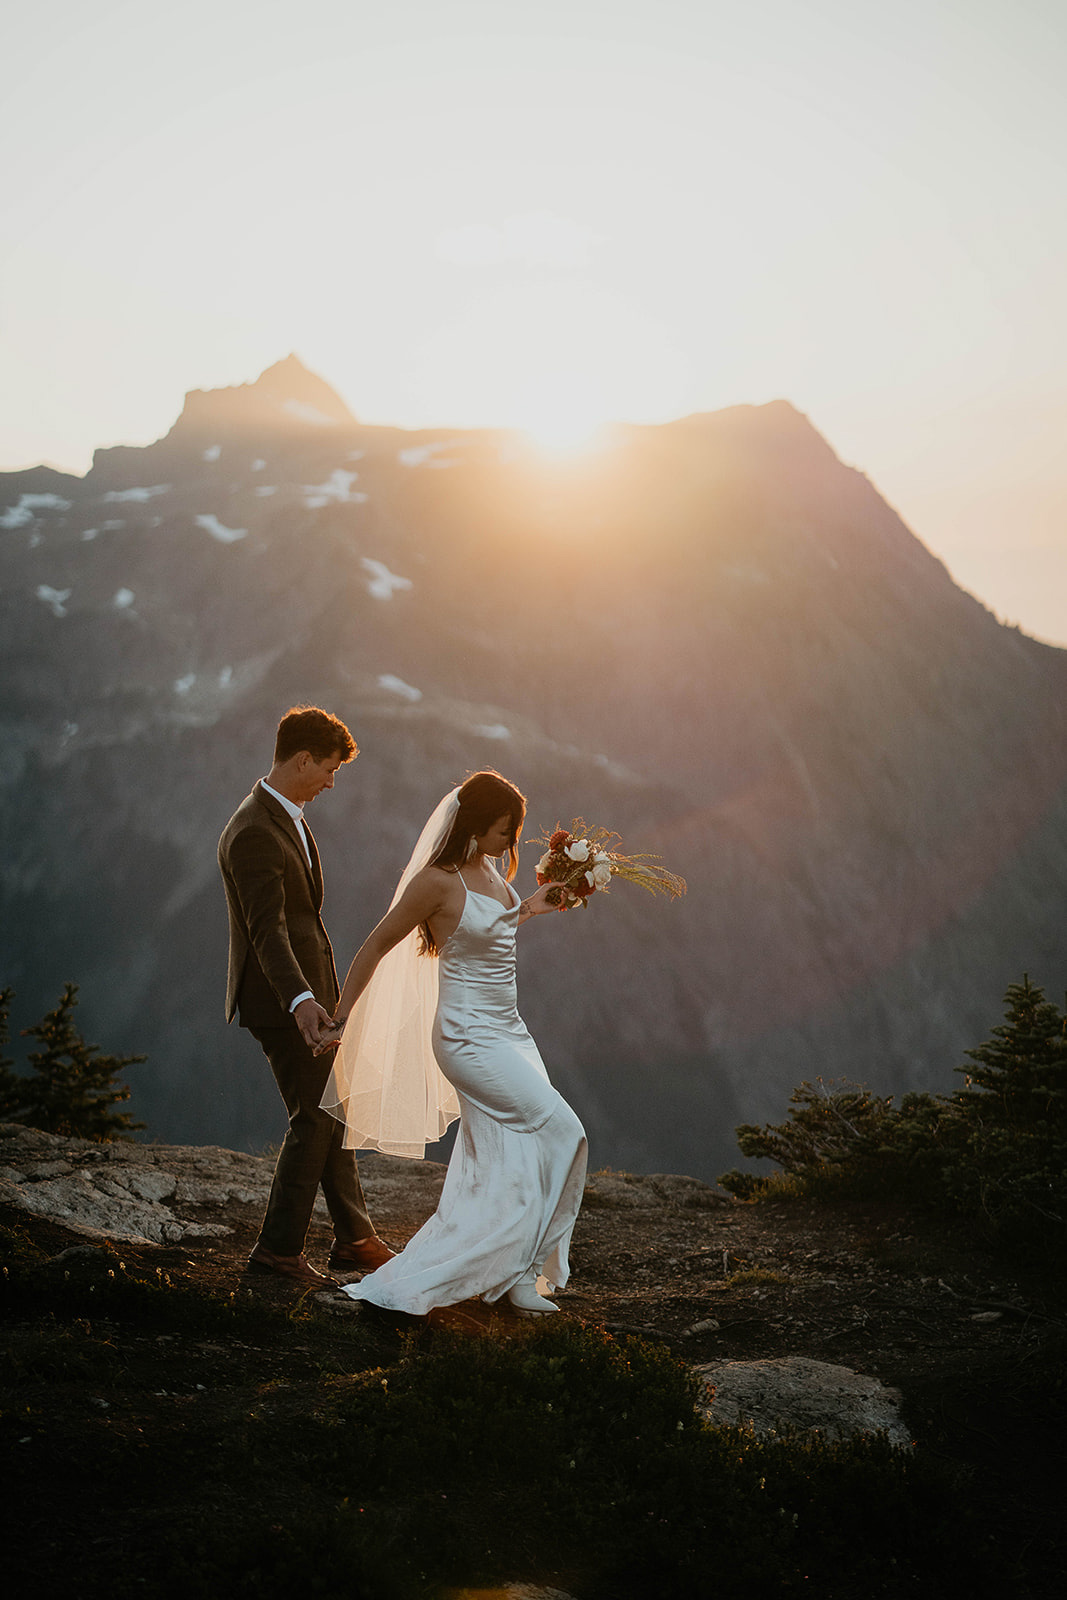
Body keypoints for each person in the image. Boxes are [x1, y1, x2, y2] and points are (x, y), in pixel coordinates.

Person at [317, 770, 588, 1318]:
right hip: (466, 1037)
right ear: (471, 824)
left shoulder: (490, 870)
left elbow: (497, 929)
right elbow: (374, 946)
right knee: (564, 1132)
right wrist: (341, 1017)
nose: (510, 843)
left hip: (510, 1030)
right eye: (502, 831)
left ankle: (511, 1274)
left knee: (509, 1156)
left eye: (513, 832)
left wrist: (533, 905)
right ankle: (522, 1268)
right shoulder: (437, 882)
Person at [217, 705, 394, 1290]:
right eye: (329, 769)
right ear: (302, 760)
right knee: (315, 1118)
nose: (331, 782)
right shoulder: (252, 832)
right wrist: (300, 1002)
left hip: (307, 996)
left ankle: (354, 1238)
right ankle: (278, 1251)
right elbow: (266, 929)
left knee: (330, 1112)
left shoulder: (284, 815)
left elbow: (301, 920)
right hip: (281, 1003)